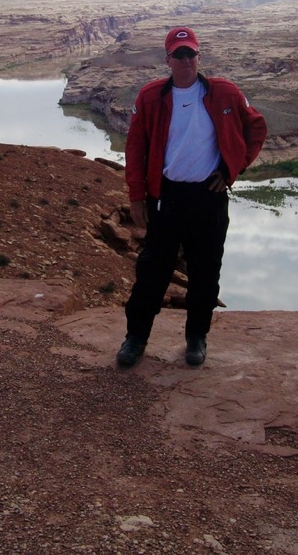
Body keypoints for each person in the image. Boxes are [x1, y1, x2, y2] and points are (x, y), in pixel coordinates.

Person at [117, 26, 267, 368]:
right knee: (152, 271)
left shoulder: (224, 93)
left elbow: (256, 128)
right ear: (167, 59)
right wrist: (137, 196)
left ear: (199, 57)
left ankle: (196, 338)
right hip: (166, 197)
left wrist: (233, 169)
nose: (185, 60)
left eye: (190, 54)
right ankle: (135, 338)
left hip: (208, 197)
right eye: (178, 54)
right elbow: (135, 147)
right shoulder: (151, 96)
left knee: (205, 272)